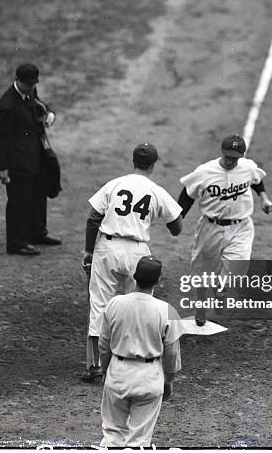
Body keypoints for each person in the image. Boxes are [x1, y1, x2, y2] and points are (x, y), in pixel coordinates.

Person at [81, 143, 183, 381]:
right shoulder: (155, 190)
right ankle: (131, 358)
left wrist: (88, 251)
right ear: (154, 165)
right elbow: (177, 228)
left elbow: (93, 218)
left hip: (107, 247)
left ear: (133, 161)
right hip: (137, 252)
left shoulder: (115, 184)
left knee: (99, 305)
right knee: (138, 304)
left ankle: (96, 365)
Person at [178, 133, 272, 325]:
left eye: (235, 158)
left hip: (241, 226)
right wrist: (179, 218)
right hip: (210, 227)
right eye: (228, 156)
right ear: (221, 152)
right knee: (202, 271)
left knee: (236, 268)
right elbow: (188, 195)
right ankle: (201, 307)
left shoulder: (247, 167)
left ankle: (220, 289)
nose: (231, 161)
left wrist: (264, 198)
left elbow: (257, 181)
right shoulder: (205, 172)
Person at [99, 255, 182, 447]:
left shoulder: (115, 304)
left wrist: (105, 371)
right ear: (158, 281)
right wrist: (169, 381)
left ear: (135, 276)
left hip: (118, 372)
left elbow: (103, 344)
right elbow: (172, 353)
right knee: (139, 442)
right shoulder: (167, 310)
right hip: (149, 377)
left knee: (112, 435)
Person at [0, 63, 61, 256]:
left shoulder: (30, 91)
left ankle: (37, 232)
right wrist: (2, 168)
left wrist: (49, 114)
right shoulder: (6, 106)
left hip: (35, 156)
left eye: (33, 84)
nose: (31, 87)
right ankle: (16, 242)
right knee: (19, 201)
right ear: (18, 81)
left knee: (38, 195)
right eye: (28, 84)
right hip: (17, 162)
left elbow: (39, 105)